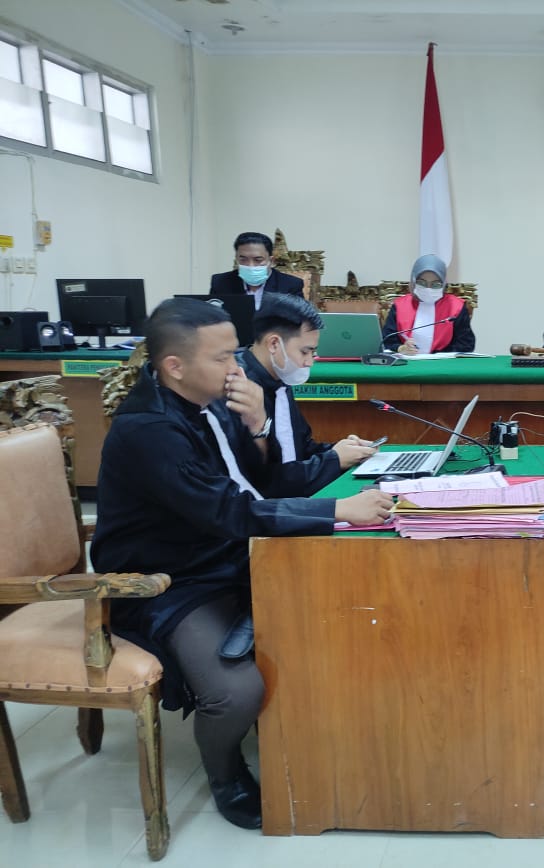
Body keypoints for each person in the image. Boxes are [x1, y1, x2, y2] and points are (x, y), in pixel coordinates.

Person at [90, 298, 392, 830]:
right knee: (236, 692)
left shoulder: (207, 400)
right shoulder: (150, 431)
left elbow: (256, 483)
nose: (236, 367)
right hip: (167, 580)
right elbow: (231, 510)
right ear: (174, 366)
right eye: (223, 357)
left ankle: (322, 734)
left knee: (336, 607)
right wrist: (338, 510)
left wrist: (256, 425)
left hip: (221, 552)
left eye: (234, 353)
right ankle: (225, 772)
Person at [237, 293, 379, 496]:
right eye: (305, 352)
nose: (310, 362)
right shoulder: (241, 388)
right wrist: (334, 460)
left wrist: (343, 450)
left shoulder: (280, 377)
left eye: (313, 352)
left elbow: (300, 450)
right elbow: (265, 482)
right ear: (274, 344)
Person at [380, 254, 476, 354]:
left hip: (443, 362)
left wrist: (438, 356)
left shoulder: (456, 307)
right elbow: (386, 340)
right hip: (407, 362)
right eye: (422, 283)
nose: (428, 289)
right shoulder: (399, 306)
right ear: (413, 281)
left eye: (435, 284)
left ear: (443, 284)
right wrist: (400, 348)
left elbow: (466, 344)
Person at [210, 231, 304, 309]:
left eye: (258, 260)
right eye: (243, 259)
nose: (250, 265)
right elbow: (212, 317)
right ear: (237, 259)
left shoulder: (290, 285)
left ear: (271, 261)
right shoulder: (220, 282)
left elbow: (299, 320)